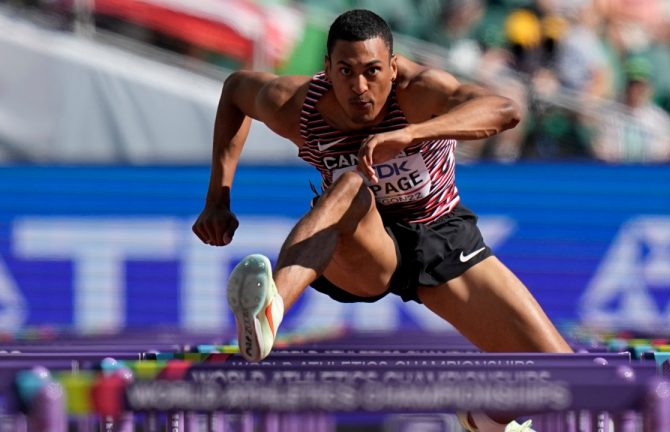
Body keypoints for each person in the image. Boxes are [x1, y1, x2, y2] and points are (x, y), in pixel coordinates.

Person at [192, 9, 571, 431]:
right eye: (346, 72)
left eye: (372, 71)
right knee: (352, 189)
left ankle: (482, 420)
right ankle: (270, 311)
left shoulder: (420, 91)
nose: (359, 87)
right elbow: (235, 91)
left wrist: (412, 134)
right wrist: (217, 198)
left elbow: (505, 108)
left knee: (562, 373)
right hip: (362, 251)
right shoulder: (298, 105)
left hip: (440, 236)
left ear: (393, 67)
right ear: (327, 71)